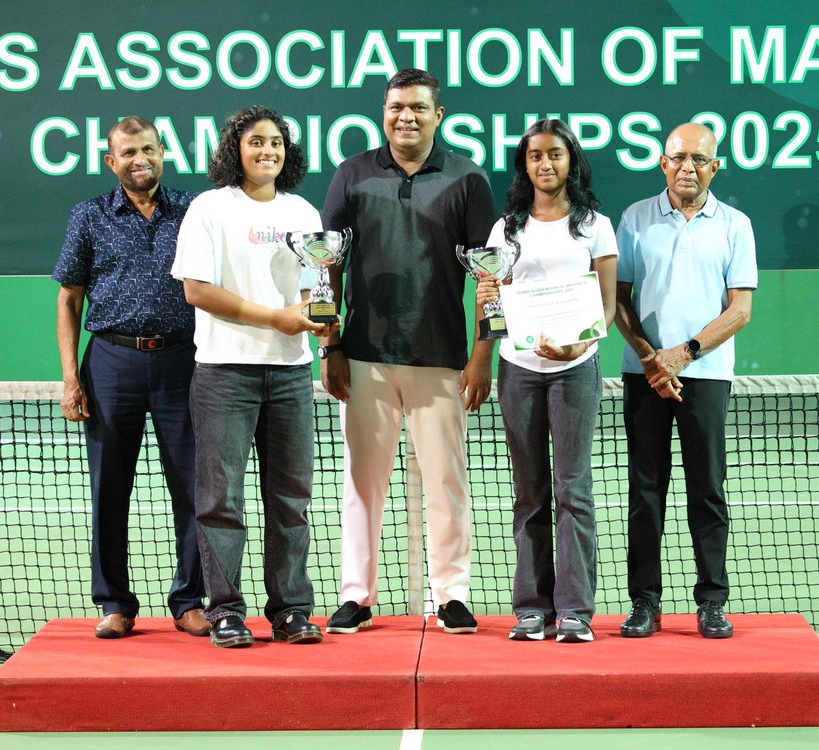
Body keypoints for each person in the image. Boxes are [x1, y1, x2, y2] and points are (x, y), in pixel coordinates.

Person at [319, 68, 498, 634]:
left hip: (442, 358)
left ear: (438, 115)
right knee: (361, 482)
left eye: (419, 108)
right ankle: (356, 595)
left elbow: (489, 277)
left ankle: (452, 595)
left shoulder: (468, 179)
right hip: (365, 355)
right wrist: (332, 347)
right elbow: (328, 265)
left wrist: (482, 353)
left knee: (447, 482)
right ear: (384, 111)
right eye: (397, 107)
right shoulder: (352, 174)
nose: (407, 117)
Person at [171, 106, 335, 648]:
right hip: (224, 373)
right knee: (221, 500)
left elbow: (315, 293)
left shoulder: (305, 212)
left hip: (290, 376)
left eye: (277, 143)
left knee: (292, 497)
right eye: (256, 142)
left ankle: (291, 610)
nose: (268, 151)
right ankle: (227, 612)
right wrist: (276, 318)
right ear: (234, 150)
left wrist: (321, 322)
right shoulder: (209, 209)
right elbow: (198, 289)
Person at [53, 115, 207, 639]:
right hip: (111, 364)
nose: (141, 160)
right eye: (129, 152)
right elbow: (69, 299)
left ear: (164, 152)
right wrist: (71, 378)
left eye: (149, 149)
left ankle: (189, 601)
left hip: (183, 362)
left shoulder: (194, 210)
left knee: (194, 487)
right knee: (109, 488)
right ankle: (115, 603)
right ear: (111, 162)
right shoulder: (89, 216)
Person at [476, 119, 618, 643]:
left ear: (570, 160)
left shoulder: (595, 226)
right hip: (520, 371)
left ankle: (576, 610)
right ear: (525, 164)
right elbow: (492, 299)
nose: (545, 164)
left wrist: (579, 344)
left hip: (575, 370)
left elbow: (605, 303)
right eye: (535, 156)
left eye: (554, 154)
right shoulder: (506, 229)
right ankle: (532, 608)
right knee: (529, 493)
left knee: (573, 490)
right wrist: (484, 359)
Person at [614, 122, 757, 639]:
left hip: (707, 377)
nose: (687, 167)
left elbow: (740, 309)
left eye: (699, 159)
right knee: (645, 493)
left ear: (715, 167)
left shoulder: (736, 225)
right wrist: (653, 360)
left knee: (707, 491)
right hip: (643, 378)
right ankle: (644, 604)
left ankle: (712, 602)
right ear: (662, 162)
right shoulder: (633, 220)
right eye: (678, 158)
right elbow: (618, 301)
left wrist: (685, 354)